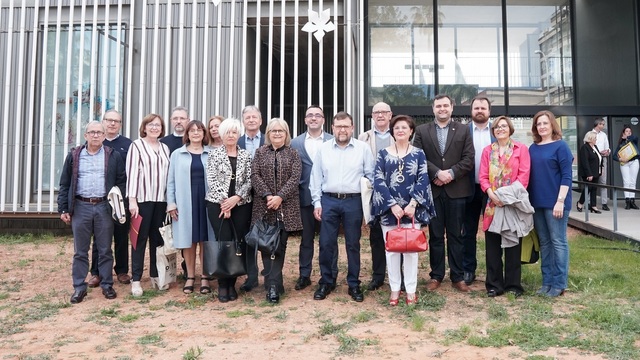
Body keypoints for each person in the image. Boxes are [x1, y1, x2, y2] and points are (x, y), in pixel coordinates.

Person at [58, 121, 126, 303]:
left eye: (99, 132)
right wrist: (63, 207)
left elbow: (121, 182)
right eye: (92, 132)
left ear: (104, 136)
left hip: (104, 206)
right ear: (85, 135)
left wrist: (118, 203)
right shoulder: (74, 155)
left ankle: (106, 284)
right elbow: (64, 184)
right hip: (81, 207)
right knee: (80, 251)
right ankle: (79, 287)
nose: (95, 135)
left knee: (105, 249)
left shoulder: (113, 156)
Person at [310, 111, 375, 302]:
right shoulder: (323, 149)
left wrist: (367, 207)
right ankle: (326, 281)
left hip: (353, 201)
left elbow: (370, 177)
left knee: (353, 244)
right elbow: (315, 178)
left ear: (352, 128)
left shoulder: (363, 149)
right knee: (326, 243)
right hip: (329, 200)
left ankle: (354, 284)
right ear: (332, 128)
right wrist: (317, 202)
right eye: (339, 126)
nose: (342, 130)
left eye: (346, 126)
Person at [371, 115, 436, 306]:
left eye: (404, 127)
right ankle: (394, 290)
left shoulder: (419, 154)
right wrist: (392, 205)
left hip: (411, 210)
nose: (400, 130)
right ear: (392, 131)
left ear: (411, 131)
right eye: (397, 127)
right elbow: (378, 180)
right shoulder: (383, 154)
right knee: (391, 251)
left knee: (410, 251)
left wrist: (413, 204)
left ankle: (411, 291)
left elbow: (423, 179)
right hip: (389, 210)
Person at [413, 94, 474, 292]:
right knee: (436, 236)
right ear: (433, 109)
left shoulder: (464, 130)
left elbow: (469, 158)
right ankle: (436, 275)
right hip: (434, 191)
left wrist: (451, 173)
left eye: (445, 105)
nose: (442, 109)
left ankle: (457, 276)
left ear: (452, 108)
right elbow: (418, 157)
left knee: (456, 235)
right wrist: (437, 173)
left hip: (457, 190)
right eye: (438, 106)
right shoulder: (422, 130)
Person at [251, 118, 303, 303]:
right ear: (268, 134)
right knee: (266, 246)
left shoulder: (293, 154)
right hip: (264, 208)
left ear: (286, 133)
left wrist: (280, 196)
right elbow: (254, 175)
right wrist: (267, 196)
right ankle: (272, 286)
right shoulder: (259, 153)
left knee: (280, 246)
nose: (277, 134)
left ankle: (275, 281)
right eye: (273, 131)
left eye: (281, 131)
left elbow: (295, 177)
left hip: (286, 208)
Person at [479, 116, 531, 298]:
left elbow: (523, 177)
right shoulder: (487, 151)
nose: (500, 129)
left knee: (512, 247)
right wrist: (492, 195)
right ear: (493, 131)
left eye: (503, 126)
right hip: (492, 205)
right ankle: (494, 285)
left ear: (510, 129)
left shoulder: (521, 149)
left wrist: (505, 197)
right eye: (497, 127)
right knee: (492, 248)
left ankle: (513, 285)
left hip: (512, 204)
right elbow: (483, 177)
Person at [205, 118, 253, 303]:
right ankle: (223, 285)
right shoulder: (214, 155)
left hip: (241, 205)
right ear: (222, 135)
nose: (231, 135)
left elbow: (249, 180)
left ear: (238, 134)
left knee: (237, 243)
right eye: (227, 132)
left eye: (234, 132)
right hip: (217, 205)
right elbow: (213, 180)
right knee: (223, 243)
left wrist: (236, 198)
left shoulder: (246, 155)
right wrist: (224, 204)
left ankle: (232, 284)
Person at [290, 105, 337, 291]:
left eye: (318, 115)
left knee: (329, 240)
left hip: (328, 198)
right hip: (305, 198)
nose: (314, 118)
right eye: (310, 115)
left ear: (324, 120)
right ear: (305, 120)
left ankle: (331, 274)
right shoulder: (295, 143)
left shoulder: (333, 141)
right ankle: (304, 275)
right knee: (306, 239)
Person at [166, 120, 215, 294]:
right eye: (192, 130)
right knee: (189, 241)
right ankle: (190, 277)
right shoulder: (177, 154)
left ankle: (205, 277)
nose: (196, 133)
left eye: (199, 130)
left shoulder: (213, 153)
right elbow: (170, 181)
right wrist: (171, 203)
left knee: (205, 240)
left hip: (207, 201)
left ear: (204, 134)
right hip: (185, 202)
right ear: (187, 134)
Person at [528, 110, 573, 298]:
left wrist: (560, 201)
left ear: (552, 125)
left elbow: (567, 176)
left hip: (556, 203)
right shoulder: (533, 148)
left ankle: (559, 283)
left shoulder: (561, 146)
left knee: (558, 242)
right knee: (545, 243)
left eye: (545, 123)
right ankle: (546, 282)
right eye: (539, 124)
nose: (542, 127)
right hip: (537, 202)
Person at [126, 113, 171, 296]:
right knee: (139, 240)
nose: (154, 128)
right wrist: (132, 200)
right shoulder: (136, 146)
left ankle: (155, 275)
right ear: (144, 127)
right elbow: (132, 174)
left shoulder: (165, 148)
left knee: (157, 240)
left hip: (161, 201)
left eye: (158, 125)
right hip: (142, 201)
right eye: (151, 125)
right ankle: (136, 280)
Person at [87, 110, 132, 288]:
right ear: (103, 122)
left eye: (116, 121)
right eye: (109, 120)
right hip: (99, 199)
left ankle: (121, 270)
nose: (112, 124)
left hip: (121, 199)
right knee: (99, 238)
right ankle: (96, 272)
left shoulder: (127, 144)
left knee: (121, 236)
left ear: (120, 124)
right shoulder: (96, 142)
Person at [358, 101, 394, 291]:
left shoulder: (398, 135)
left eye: (384, 112)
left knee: (397, 234)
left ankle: (399, 276)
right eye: (376, 112)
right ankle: (378, 275)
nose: (380, 115)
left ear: (390, 115)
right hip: (372, 194)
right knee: (376, 236)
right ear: (372, 116)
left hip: (396, 195)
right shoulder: (363, 137)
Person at [461, 96, 494, 285]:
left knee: (493, 231)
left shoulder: (498, 131)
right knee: (468, 232)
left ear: (489, 111)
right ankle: (468, 269)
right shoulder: (463, 131)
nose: (479, 110)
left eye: (483, 107)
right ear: (471, 111)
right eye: (476, 108)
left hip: (492, 191)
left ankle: (493, 271)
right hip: (468, 188)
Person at [237, 105, 267, 292]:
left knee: (265, 235)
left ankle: (269, 274)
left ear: (260, 120)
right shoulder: (237, 141)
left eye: (254, 117)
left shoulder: (269, 140)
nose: (251, 120)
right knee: (247, 236)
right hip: (243, 196)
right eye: (247, 117)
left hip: (264, 195)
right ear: (243, 121)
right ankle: (251, 276)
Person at [612, 125, 640, 209]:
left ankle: (632, 201)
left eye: (630, 131)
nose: (628, 133)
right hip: (625, 164)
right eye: (627, 131)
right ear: (623, 133)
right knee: (626, 182)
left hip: (634, 162)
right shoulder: (621, 143)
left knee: (633, 182)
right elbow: (614, 156)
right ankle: (627, 201)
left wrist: (628, 137)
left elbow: (635, 138)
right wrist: (620, 159)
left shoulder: (633, 140)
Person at [576, 131, 603, 213]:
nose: (596, 139)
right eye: (594, 138)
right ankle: (580, 203)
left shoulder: (595, 147)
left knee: (594, 188)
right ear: (590, 139)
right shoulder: (585, 147)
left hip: (596, 172)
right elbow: (585, 162)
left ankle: (593, 206)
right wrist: (589, 174)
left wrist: (601, 169)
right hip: (588, 173)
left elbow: (599, 159)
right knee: (588, 188)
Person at [593, 118, 611, 211]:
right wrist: (599, 152)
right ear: (597, 124)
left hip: (603, 160)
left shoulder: (604, 135)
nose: (603, 126)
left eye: (603, 124)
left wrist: (607, 151)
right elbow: (588, 148)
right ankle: (590, 202)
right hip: (593, 160)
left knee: (603, 182)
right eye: (602, 124)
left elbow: (607, 147)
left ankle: (604, 203)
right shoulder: (590, 134)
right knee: (592, 181)